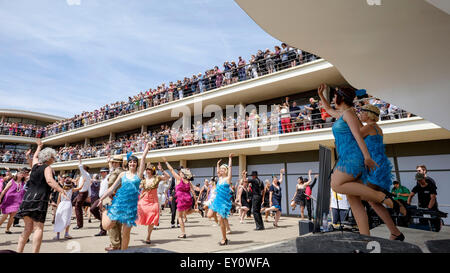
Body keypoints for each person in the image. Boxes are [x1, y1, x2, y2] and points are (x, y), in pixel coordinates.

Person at [317, 83, 405, 236]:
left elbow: (358, 136)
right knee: (355, 202)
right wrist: (321, 96)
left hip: (353, 157)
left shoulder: (350, 114)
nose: (333, 99)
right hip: (347, 156)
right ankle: (365, 238)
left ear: (341, 98)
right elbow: (329, 110)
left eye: (335, 96)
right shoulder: (343, 114)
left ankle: (383, 198)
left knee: (335, 184)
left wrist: (367, 157)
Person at [359, 103, 405, 241]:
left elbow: (354, 137)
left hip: (373, 166)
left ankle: (395, 204)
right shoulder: (377, 128)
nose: (360, 115)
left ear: (368, 114)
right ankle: (395, 232)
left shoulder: (368, 127)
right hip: (380, 166)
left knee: (363, 195)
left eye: (362, 112)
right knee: (374, 202)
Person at [16, 139, 67, 253]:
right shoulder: (47, 167)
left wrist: (39, 146)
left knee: (27, 228)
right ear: (48, 158)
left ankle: (19, 251)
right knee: (38, 228)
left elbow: (34, 157)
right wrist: (61, 190)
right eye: (53, 157)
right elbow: (49, 180)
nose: (54, 160)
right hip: (39, 199)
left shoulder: (34, 166)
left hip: (27, 198)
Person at [97, 152, 145, 250]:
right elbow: (111, 188)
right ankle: (105, 211)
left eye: (134, 162)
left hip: (130, 207)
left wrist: (147, 148)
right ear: (128, 163)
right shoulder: (123, 174)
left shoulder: (138, 175)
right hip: (119, 203)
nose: (132, 163)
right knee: (106, 226)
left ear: (137, 164)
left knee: (126, 233)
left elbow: (143, 158)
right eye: (130, 162)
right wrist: (101, 199)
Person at [136, 159, 170, 244]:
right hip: (144, 200)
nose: (148, 171)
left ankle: (148, 237)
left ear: (153, 171)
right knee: (138, 212)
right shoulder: (143, 180)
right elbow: (139, 188)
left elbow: (168, 177)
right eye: (147, 169)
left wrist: (162, 170)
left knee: (151, 219)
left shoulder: (157, 178)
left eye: (150, 169)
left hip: (153, 201)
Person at [163, 158, 198, 239]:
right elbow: (193, 191)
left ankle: (183, 233)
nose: (179, 173)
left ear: (183, 174)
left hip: (181, 199)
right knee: (187, 212)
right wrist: (195, 200)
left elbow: (171, 170)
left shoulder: (179, 179)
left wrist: (166, 162)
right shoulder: (188, 182)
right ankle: (197, 210)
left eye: (181, 172)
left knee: (180, 217)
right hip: (188, 199)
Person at [208, 154, 234, 245]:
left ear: (226, 171)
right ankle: (221, 225)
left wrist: (230, 159)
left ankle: (224, 239)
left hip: (223, 202)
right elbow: (218, 171)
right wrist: (217, 164)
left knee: (221, 219)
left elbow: (230, 168)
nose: (220, 170)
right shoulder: (219, 178)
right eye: (220, 169)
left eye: (223, 169)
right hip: (217, 200)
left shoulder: (228, 179)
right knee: (209, 214)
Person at [101, 155, 124, 251]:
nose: (113, 164)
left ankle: (115, 244)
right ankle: (119, 243)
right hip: (122, 199)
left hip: (114, 198)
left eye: (114, 162)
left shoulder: (116, 172)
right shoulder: (123, 171)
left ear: (117, 163)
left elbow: (110, 183)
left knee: (112, 224)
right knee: (118, 223)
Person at [0, 169, 27, 234]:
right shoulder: (12, 181)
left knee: (13, 216)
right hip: (8, 200)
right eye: (20, 173)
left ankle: (7, 229)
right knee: (5, 216)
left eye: (23, 174)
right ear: (17, 174)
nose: (22, 174)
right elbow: (4, 190)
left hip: (18, 202)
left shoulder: (24, 183)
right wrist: (0, 198)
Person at [73, 155, 92, 229]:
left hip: (83, 193)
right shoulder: (84, 176)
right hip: (82, 193)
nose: (81, 170)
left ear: (85, 170)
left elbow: (80, 167)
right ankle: (87, 203)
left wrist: (79, 159)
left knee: (77, 206)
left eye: (83, 169)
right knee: (74, 203)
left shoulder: (85, 174)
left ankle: (79, 224)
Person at [91, 168, 109, 236]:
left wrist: (109, 162)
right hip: (100, 198)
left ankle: (103, 231)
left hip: (106, 198)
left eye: (103, 172)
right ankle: (104, 221)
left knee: (103, 213)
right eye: (100, 172)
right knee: (92, 209)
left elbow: (112, 170)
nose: (101, 173)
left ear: (106, 172)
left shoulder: (108, 177)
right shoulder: (102, 180)